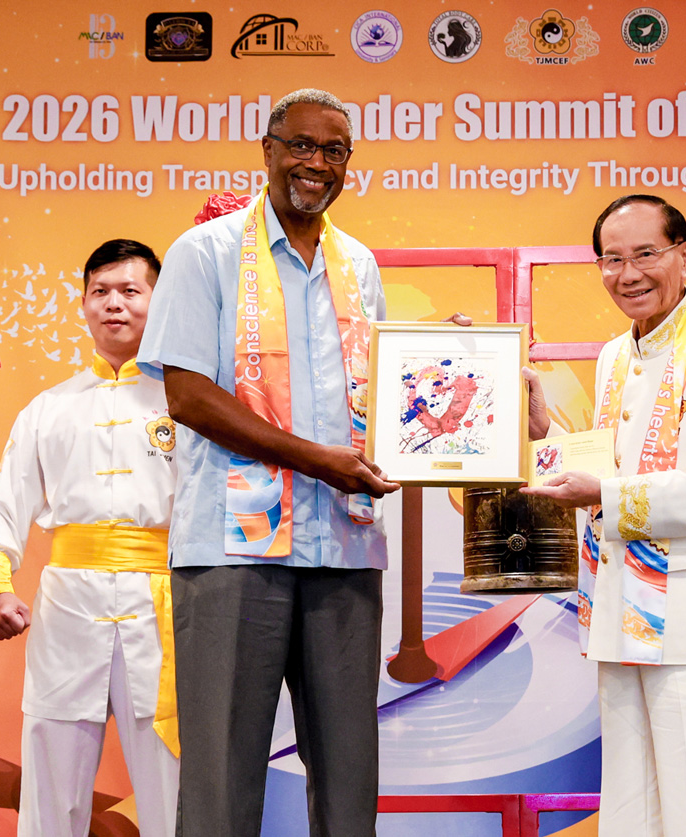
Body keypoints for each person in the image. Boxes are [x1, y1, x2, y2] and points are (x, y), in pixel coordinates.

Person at [136, 88, 401, 837]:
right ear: (268, 149)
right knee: (221, 777)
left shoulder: (359, 264)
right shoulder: (205, 252)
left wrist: (445, 368)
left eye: (334, 150)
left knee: (350, 777)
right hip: (232, 551)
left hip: (343, 545)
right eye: (301, 145)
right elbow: (189, 397)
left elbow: (378, 392)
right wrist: (316, 460)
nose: (316, 163)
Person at [524, 194, 686, 837]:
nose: (627, 274)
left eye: (645, 255)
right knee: (629, 808)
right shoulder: (615, 355)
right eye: (612, 259)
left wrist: (604, 495)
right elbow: (605, 464)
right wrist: (543, 431)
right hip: (619, 609)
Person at [0, 239, 178, 836]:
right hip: (67, 609)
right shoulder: (47, 409)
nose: (114, 304)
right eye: (99, 291)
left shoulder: (189, 401)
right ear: (83, 304)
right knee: (50, 789)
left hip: (165, 608)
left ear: (160, 300)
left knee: (174, 786)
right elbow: (4, 500)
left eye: (131, 291)